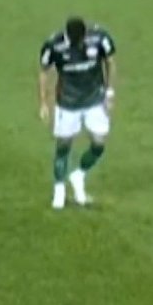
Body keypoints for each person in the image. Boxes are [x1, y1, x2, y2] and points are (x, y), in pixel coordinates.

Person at [39, 16, 116, 209]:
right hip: (68, 103)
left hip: (94, 100)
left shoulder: (99, 39)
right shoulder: (53, 45)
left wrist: (109, 92)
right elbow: (44, 72)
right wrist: (43, 103)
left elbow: (110, 62)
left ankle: (79, 175)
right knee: (63, 146)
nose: (78, 45)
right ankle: (59, 190)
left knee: (99, 144)